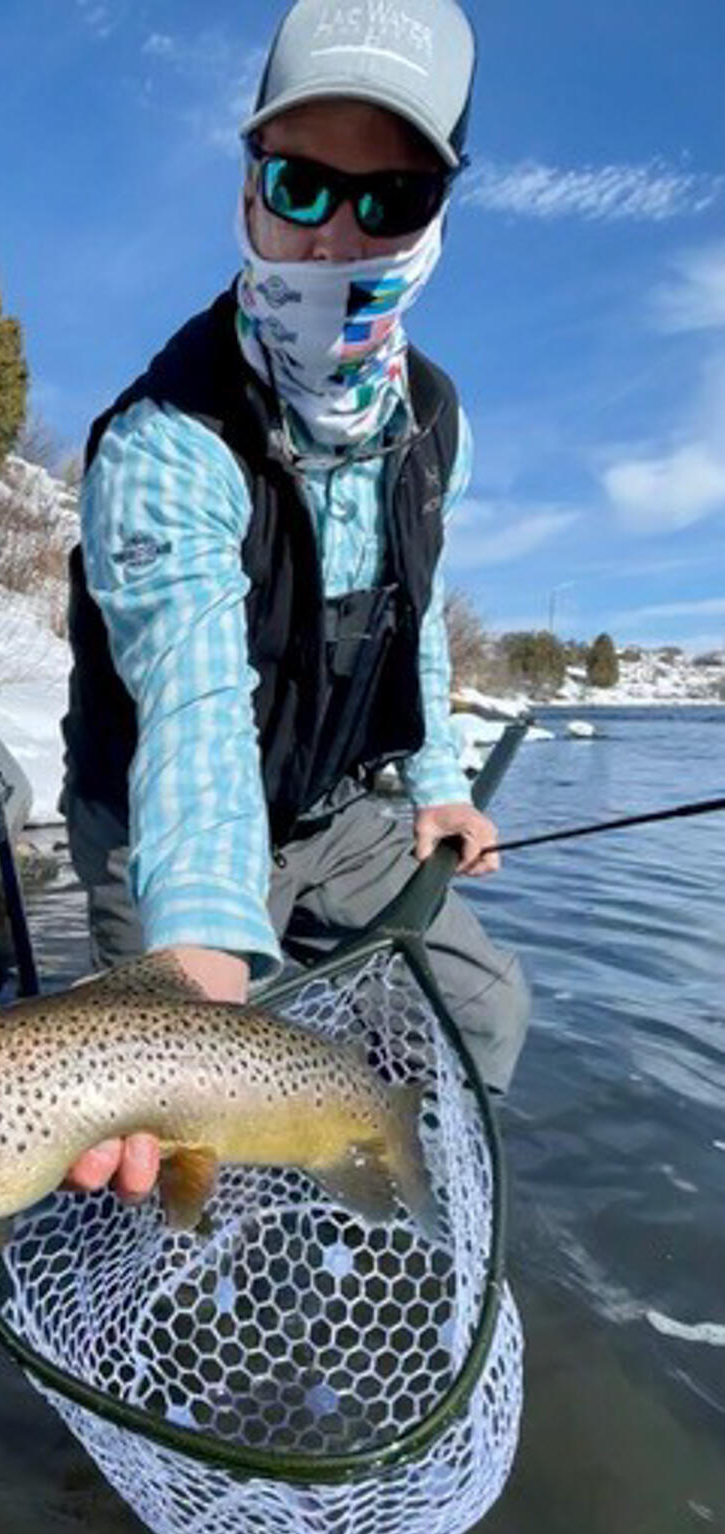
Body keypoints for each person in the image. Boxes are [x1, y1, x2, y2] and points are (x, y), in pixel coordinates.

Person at [59, 0, 529, 1203]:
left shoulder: (443, 423)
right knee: (168, 1167)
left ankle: (363, 1188)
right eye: (303, 185)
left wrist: (435, 785)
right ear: (250, 187)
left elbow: (413, 615)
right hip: (162, 827)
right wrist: (204, 951)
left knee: (484, 1009)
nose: (334, 241)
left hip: (331, 818)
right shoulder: (162, 444)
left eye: (392, 200)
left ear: (439, 216)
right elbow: (197, 706)